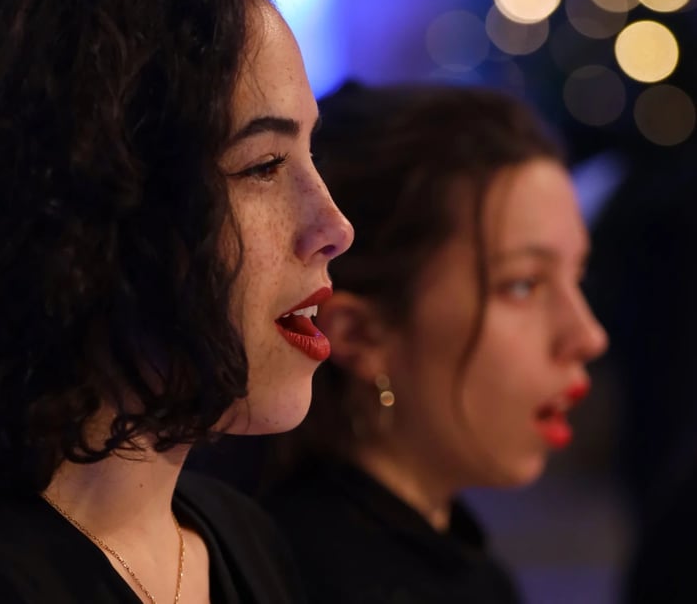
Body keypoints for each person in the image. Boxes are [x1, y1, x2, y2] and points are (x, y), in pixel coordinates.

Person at [0, 0, 353, 602]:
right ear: (97, 205)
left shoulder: (246, 542)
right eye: (262, 166)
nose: (334, 225)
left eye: (311, 152)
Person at [261, 81, 609, 604]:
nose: (587, 336)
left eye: (576, 276)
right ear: (361, 334)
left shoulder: (460, 565)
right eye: (522, 285)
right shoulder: (295, 577)